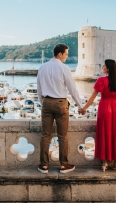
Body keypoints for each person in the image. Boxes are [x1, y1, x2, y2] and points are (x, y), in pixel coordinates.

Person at [37, 44, 83, 174]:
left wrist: (43, 103)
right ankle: (64, 164)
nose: (67, 57)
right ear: (60, 54)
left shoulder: (42, 67)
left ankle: (44, 165)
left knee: (45, 135)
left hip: (46, 102)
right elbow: (72, 89)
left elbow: (39, 90)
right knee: (62, 136)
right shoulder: (64, 68)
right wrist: (80, 105)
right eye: (66, 54)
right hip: (60, 103)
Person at [79, 59, 116, 171]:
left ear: (108, 68)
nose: (102, 68)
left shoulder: (101, 80)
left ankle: (104, 163)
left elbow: (93, 97)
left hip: (104, 109)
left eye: (104, 66)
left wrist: (84, 109)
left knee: (105, 135)